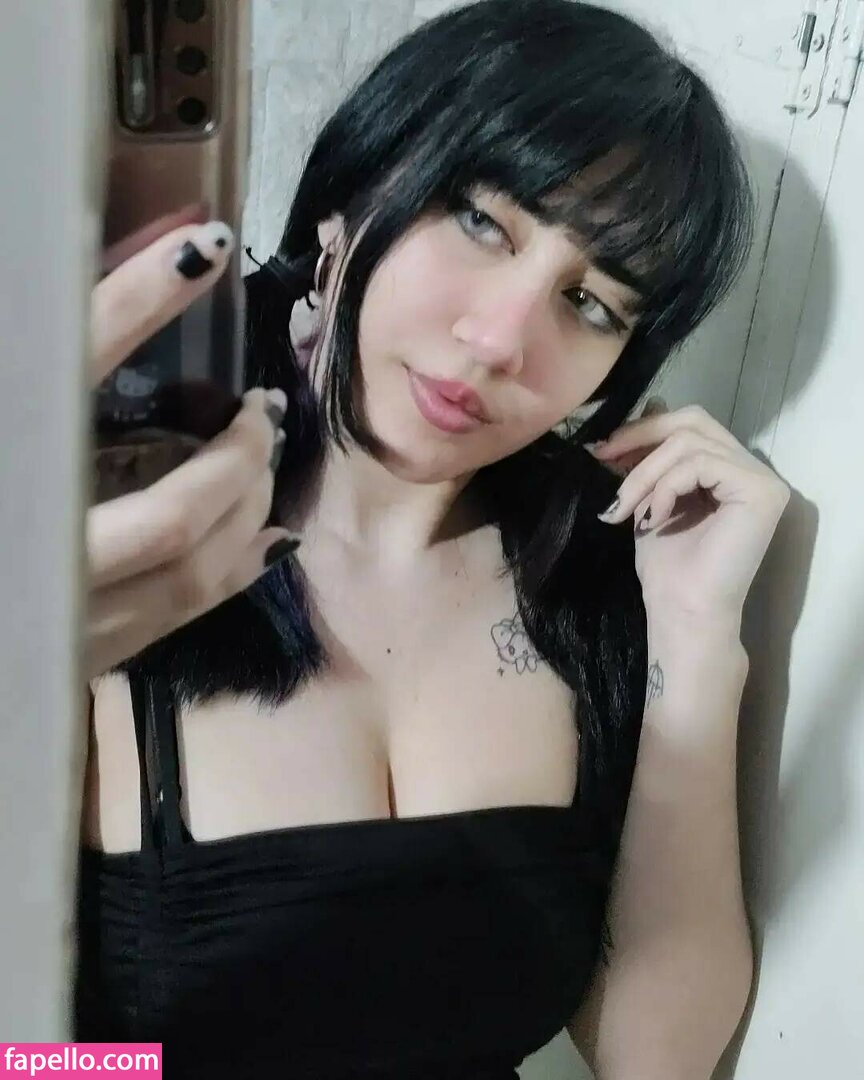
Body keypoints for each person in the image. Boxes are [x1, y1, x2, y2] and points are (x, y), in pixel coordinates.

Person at [75, 2, 790, 1077]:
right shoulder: (124, 523)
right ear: (352, 193)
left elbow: (655, 1059)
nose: (501, 340)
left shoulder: (593, 578)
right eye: (481, 223)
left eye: (591, 303)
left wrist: (696, 640)